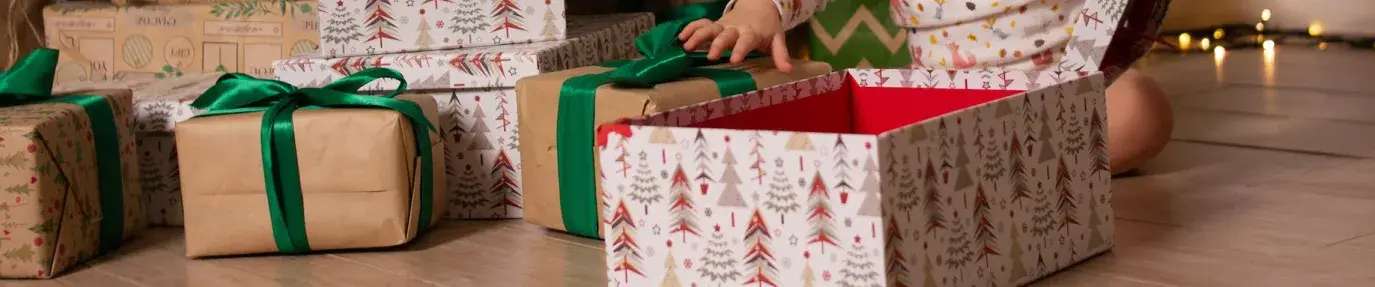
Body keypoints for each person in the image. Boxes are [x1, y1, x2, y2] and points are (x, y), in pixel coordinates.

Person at [678, 0, 1173, 175]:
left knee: (1139, 109)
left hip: (1062, 86)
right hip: (945, 93)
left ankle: (1028, 156)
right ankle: (999, 159)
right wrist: (760, 8)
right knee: (875, 128)